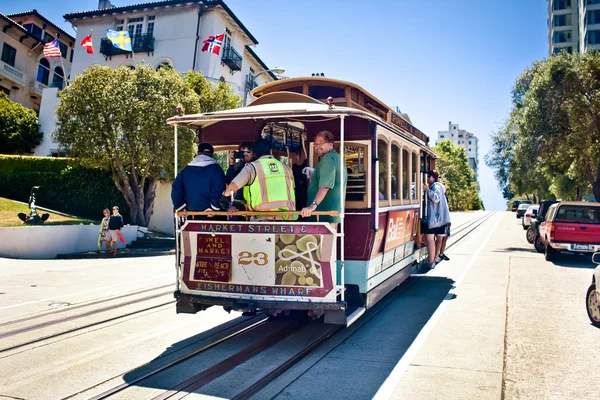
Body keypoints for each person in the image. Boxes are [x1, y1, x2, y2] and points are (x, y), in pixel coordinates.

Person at [224, 138, 296, 220]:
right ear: (271, 151)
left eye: (248, 152)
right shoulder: (286, 168)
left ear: (255, 153)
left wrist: (223, 197)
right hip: (288, 220)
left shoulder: (252, 167)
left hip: (262, 219)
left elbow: (232, 187)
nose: (244, 154)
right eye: (242, 152)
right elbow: (293, 189)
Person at [301, 130, 347, 225]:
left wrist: (312, 206)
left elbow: (325, 186)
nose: (317, 147)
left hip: (322, 216)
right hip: (329, 215)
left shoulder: (328, 160)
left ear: (331, 144)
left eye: (321, 143)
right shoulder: (336, 159)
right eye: (316, 144)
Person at [171, 143, 226, 218]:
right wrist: (214, 208)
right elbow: (219, 190)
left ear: (197, 154)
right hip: (211, 216)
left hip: (191, 215)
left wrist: (181, 207)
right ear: (212, 155)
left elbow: (176, 189)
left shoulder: (186, 170)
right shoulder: (217, 170)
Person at [423, 170, 451, 269]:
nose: (426, 179)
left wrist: (427, 190)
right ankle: (433, 259)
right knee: (435, 239)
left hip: (437, 218)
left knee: (433, 239)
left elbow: (436, 198)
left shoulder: (436, 186)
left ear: (433, 177)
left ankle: (433, 260)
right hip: (440, 218)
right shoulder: (436, 186)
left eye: (428, 177)